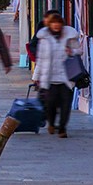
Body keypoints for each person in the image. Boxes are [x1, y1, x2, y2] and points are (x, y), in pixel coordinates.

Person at [33, 10, 81, 138]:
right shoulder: (44, 39)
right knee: (50, 104)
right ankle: (52, 123)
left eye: (58, 22)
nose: (56, 25)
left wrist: (71, 51)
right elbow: (41, 58)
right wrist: (36, 77)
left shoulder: (69, 37)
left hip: (67, 77)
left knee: (66, 104)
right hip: (50, 77)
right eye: (53, 23)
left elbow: (79, 50)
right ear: (49, 24)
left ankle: (62, 128)